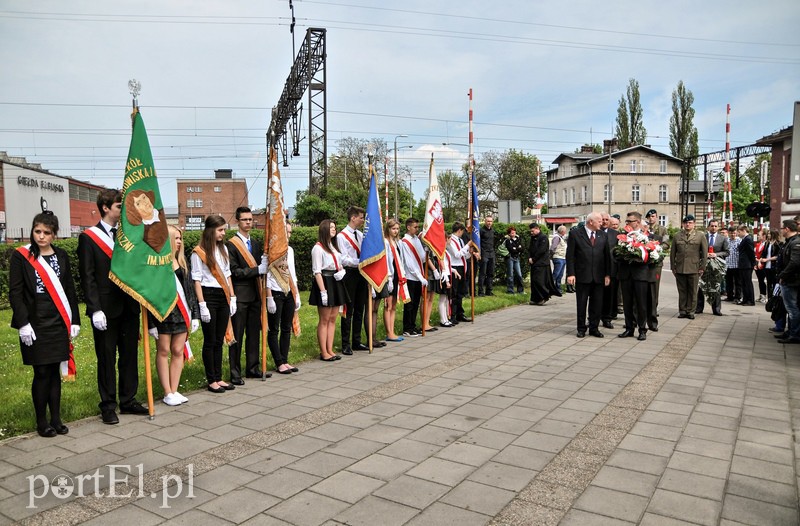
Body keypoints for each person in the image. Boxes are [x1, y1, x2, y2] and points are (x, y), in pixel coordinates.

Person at [78, 189, 146, 424]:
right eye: (119, 206)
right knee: (106, 358)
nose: (123, 210)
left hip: (129, 306)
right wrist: (94, 308)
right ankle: (108, 405)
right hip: (105, 309)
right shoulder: (89, 237)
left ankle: (128, 399)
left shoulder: (128, 235)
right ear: (106, 208)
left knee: (129, 355)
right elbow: (88, 277)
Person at [11, 212, 81, 437]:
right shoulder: (21, 256)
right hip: (35, 320)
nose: (41, 236)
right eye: (37, 231)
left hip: (58, 319)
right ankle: (42, 421)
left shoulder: (61, 255)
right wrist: (23, 323)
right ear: (32, 231)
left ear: (54, 235)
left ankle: (56, 419)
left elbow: (69, 289)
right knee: (42, 371)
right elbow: (16, 292)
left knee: (54, 370)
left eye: (46, 233)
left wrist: (75, 320)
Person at [147, 226, 199, 405]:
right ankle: (167, 392)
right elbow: (151, 294)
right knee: (163, 351)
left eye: (180, 239)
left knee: (178, 351)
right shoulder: (157, 264)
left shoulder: (182, 262)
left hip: (182, 313)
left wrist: (195, 315)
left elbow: (190, 291)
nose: (179, 242)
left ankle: (175, 390)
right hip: (163, 314)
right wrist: (151, 324)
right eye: (176, 238)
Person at [192, 215, 237, 393]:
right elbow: (196, 280)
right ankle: (211, 379)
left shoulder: (223, 248)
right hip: (208, 296)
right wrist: (202, 305)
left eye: (224, 229)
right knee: (210, 340)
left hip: (223, 295)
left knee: (219, 340)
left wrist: (232, 297)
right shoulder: (199, 252)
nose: (223, 233)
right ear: (210, 231)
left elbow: (227, 275)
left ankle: (219, 377)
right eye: (220, 230)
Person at [226, 206, 269, 383]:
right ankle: (235, 373)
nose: (248, 222)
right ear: (237, 221)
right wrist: (256, 270)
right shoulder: (231, 245)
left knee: (253, 334)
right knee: (237, 334)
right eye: (244, 219)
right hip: (240, 296)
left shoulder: (257, 244)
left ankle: (252, 368)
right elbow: (234, 271)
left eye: (250, 219)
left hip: (256, 295)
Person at [565, 212, 611, 338]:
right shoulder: (575, 234)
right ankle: (581, 328)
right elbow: (570, 256)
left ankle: (594, 328)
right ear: (591, 222)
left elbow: (607, 256)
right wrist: (571, 274)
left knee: (597, 304)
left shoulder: (602, 235)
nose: (602, 223)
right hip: (582, 275)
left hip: (598, 276)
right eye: (599, 221)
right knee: (581, 303)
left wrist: (607, 274)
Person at [309, 219, 348, 360]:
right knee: (324, 319)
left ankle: (330, 349)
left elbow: (339, 263)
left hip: (336, 281)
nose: (334, 229)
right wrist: (323, 291)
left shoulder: (333, 246)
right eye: (331, 227)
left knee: (333, 318)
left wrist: (341, 271)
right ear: (324, 229)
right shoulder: (318, 248)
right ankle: (323, 351)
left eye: (335, 227)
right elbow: (317, 271)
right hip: (325, 282)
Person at [266, 223, 301, 374]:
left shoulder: (290, 250)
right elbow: (267, 274)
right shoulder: (272, 250)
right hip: (275, 292)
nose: (289, 235)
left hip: (289, 292)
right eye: (286, 232)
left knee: (286, 328)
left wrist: (297, 293)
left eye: (290, 232)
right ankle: (278, 361)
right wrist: (269, 297)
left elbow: (292, 272)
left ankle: (285, 360)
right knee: (274, 329)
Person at [337, 206, 368, 355]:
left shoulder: (361, 235)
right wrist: (359, 262)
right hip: (349, 273)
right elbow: (343, 258)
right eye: (361, 217)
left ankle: (356, 340)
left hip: (361, 273)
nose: (363, 220)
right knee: (348, 309)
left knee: (359, 308)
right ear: (353, 218)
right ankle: (345, 343)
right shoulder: (341, 237)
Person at [616, 211, 651, 340]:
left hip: (640, 274)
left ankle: (642, 329)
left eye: (629, 221)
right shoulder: (623, 236)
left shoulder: (646, 236)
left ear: (637, 222)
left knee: (641, 303)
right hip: (626, 274)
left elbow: (651, 254)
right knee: (627, 303)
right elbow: (616, 253)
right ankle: (629, 328)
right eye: (626, 221)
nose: (627, 223)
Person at [670, 214, 708, 319]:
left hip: (694, 267)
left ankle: (691, 311)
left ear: (694, 224)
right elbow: (673, 253)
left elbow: (704, 253)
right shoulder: (677, 236)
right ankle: (682, 310)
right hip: (680, 267)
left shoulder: (700, 236)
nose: (688, 224)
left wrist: (702, 267)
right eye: (686, 223)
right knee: (682, 291)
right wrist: (673, 267)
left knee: (693, 291)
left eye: (690, 222)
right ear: (683, 224)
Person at [696, 219, 729, 316]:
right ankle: (699, 307)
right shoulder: (703, 237)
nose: (713, 228)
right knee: (702, 286)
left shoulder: (722, 239)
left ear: (718, 227)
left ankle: (716, 309)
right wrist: (704, 254)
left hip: (716, 266)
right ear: (708, 227)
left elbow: (727, 252)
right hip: (704, 264)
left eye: (715, 226)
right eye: (712, 226)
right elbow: (697, 250)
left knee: (716, 287)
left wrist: (716, 254)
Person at [776, 220, 800, 344]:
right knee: (790, 308)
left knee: (792, 308)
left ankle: (794, 334)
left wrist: (783, 275)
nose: (781, 230)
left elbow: (795, 262)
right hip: (789, 280)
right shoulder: (790, 242)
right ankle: (791, 331)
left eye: (782, 228)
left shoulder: (796, 242)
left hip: (792, 281)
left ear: (787, 229)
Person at [401, 218, 426, 337]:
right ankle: (407, 327)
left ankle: (413, 325)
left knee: (416, 302)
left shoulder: (416, 239)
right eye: (415, 227)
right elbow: (409, 263)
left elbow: (422, 256)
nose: (417, 229)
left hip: (419, 275)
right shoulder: (405, 242)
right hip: (411, 276)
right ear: (408, 227)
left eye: (417, 227)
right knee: (409, 304)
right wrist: (419, 276)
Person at [383, 219, 406, 342]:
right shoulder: (386, 242)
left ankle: (392, 331)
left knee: (394, 305)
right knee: (388, 304)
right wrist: (389, 278)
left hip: (398, 274)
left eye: (397, 229)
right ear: (388, 229)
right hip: (389, 275)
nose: (395, 231)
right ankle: (389, 332)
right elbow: (387, 261)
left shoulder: (398, 242)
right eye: (393, 228)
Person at [447, 222, 474, 322]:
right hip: (455, 267)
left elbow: (464, 255)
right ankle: (452, 315)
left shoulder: (460, 241)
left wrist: (469, 253)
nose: (462, 233)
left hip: (462, 267)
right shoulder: (451, 240)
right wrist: (467, 245)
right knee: (454, 292)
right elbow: (457, 254)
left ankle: (459, 313)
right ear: (459, 230)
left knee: (460, 292)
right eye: (462, 231)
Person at [645, 209, 669, 316]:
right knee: (643, 286)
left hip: (656, 262)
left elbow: (666, 244)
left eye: (653, 216)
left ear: (657, 217)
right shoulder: (644, 229)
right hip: (644, 262)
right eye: (649, 217)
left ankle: (653, 309)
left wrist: (655, 248)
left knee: (655, 286)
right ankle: (644, 308)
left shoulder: (662, 230)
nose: (651, 218)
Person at [528, 223, 557, 305]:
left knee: (539, 281)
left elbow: (542, 250)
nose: (531, 233)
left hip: (541, 263)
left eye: (533, 231)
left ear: (537, 229)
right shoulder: (533, 238)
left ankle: (543, 297)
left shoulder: (543, 238)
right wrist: (529, 258)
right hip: (534, 263)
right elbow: (530, 249)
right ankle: (535, 299)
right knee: (533, 282)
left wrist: (533, 259)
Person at [736, 225, 756, 306]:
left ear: (744, 230)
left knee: (747, 283)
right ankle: (745, 299)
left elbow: (751, 252)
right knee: (743, 282)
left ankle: (750, 300)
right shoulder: (744, 239)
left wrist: (753, 263)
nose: (738, 233)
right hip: (743, 264)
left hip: (747, 264)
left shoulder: (748, 239)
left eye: (739, 232)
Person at [760, 229, 781, 301]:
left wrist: (767, 259)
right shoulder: (767, 243)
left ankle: (775, 299)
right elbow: (763, 254)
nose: (768, 235)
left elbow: (778, 256)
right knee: (769, 283)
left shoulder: (778, 244)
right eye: (768, 234)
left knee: (775, 283)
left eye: (770, 234)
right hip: (767, 266)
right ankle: (769, 299)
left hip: (774, 266)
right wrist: (761, 261)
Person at [477, 215, 496, 296]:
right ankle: (481, 292)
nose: (489, 223)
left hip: (491, 254)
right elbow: (478, 243)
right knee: (482, 273)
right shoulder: (481, 231)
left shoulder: (492, 231)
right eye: (488, 221)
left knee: (491, 273)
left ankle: (489, 291)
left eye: (491, 221)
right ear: (485, 222)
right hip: (484, 254)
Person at [503, 226, 524, 294]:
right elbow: (511, 249)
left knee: (519, 274)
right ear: (509, 234)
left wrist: (516, 249)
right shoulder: (507, 240)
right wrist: (516, 248)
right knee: (510, 275)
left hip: (516, 258)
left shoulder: (518, 239)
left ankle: (520, 290)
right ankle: (510, 290)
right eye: (512, 233)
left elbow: (522, 248)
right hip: (510, 258)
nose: (513, 234)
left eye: (514, 232)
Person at [724, 226, 741, 302]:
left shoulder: (739, 241)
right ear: (728, 233)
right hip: (728, 265)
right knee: (728, 282)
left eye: (734, 233)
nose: (733, 235)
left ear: (736, 233)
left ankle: (737, 296)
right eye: (731, 233)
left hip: (736, 265)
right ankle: (729, 296)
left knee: (737, 282)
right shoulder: (726, 241)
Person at [550, 226, 568, 294]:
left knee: (560, 275)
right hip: (558, 257)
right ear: (562, 231)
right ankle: (551, 287)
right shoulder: (557, 237)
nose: (565, 232)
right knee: (556, 274)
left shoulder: (561, 237)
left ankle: (558, 288)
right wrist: (552, 256)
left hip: (562, 258)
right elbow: (552, 248)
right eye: (565, 230)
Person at [754, 229, 768, 303]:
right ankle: (761, 295)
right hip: (758, 264)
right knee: (760, 280)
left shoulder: (767, 244)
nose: (758, 236)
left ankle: (765, 296)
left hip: (764, 265)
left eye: (759, 235)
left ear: (764, 236)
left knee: (765, 281)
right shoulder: (758, 244)